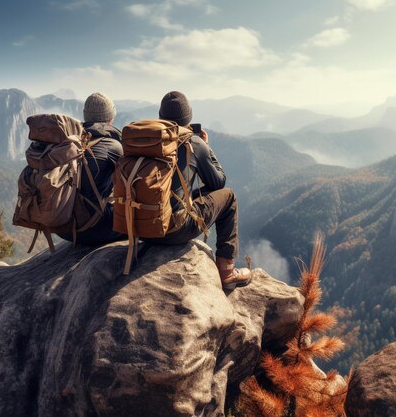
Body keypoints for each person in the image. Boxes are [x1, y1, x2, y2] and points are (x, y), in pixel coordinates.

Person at [144, 91, 252, 289]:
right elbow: (218, 182)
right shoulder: (192, 142)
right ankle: (227, 272)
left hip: (142, 227)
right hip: (173, 231)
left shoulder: (146, 141)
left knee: (183, 197)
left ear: (160, 116)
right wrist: (206, 148)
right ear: (189, 118)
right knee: (229, 197)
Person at [57, 92, 125, 245]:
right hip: (91, 227)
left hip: (61, 226)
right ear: (110, 117)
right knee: (143, 218)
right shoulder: (113, 146)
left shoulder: (70, 141)